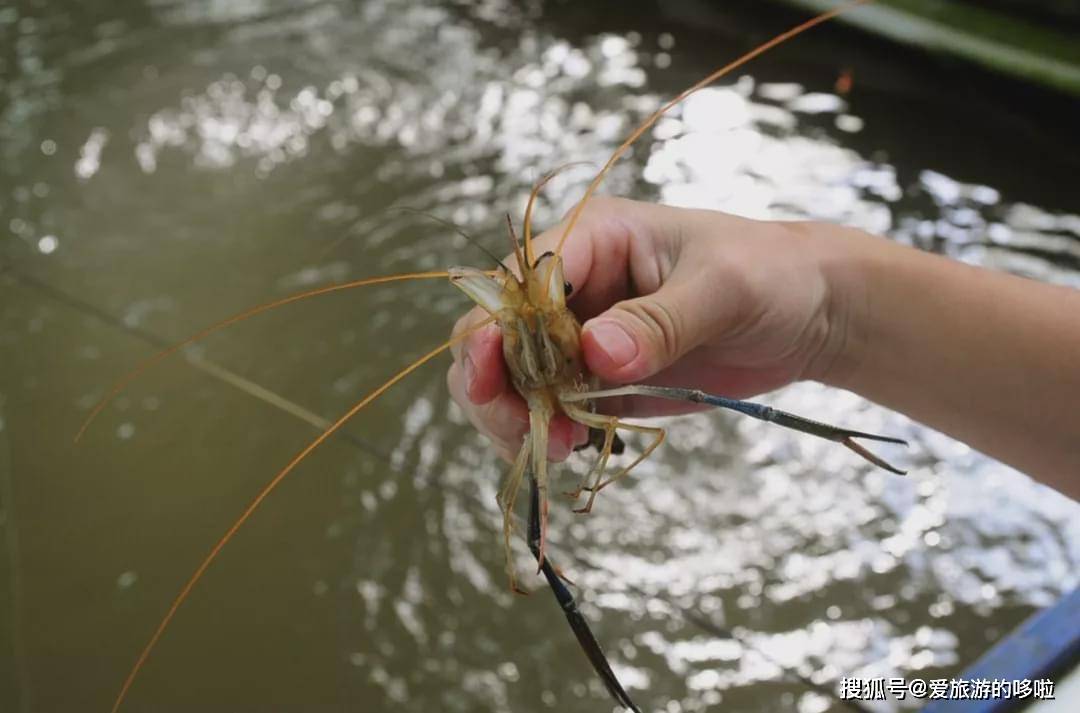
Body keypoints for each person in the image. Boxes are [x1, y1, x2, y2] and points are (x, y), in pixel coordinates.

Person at [447, 197, 1080, 500]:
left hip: (595, 406)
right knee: (520, 492)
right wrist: (827, 316)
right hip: (576, 411)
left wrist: (830, 318)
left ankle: (845, 435)